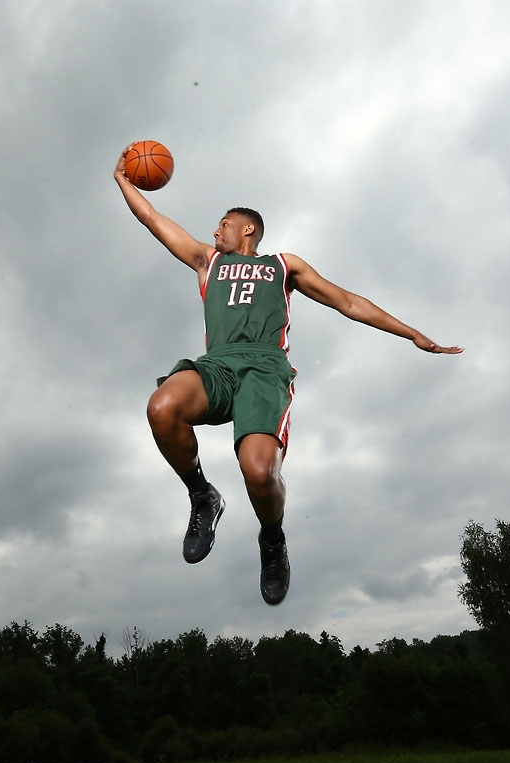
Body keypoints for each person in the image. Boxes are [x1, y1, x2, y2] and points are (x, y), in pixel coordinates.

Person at [114, 144, 463, 606]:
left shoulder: (283, 266)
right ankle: (203, 497)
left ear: (247, 229)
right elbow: (153, 220)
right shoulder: (207, 262)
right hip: (217, 365)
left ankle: (272, 541)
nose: (214, 229)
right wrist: (123, 180)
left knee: (259, 473)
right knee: (161, 407)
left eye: (223, 223)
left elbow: (348, 301)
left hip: (264, 369)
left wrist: (411, 333)